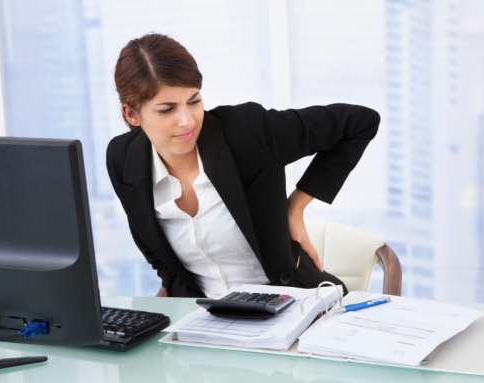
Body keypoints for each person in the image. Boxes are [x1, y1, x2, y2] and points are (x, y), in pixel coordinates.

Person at [106, 33, 380, 298]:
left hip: (297, 305)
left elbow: (359, 122)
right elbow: (164, 264)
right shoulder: (123, 159)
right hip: (210, 323)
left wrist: (295, 207)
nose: (187, 121)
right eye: (167, 109)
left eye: (194, 101)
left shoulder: (246, 131)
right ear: (131, 114)